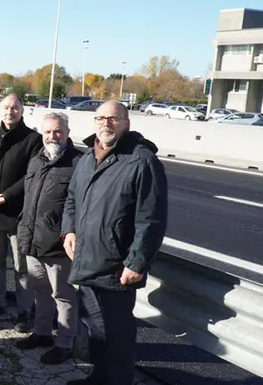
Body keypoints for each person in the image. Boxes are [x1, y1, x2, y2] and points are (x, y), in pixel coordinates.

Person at [63, 101, 168, 385]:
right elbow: (72, 199)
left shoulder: (141, 160)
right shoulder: (87, 158)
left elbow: (152, 219)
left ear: (127, 123)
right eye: (101, 118)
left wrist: (137, 262)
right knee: (95, 329)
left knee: (118, 335)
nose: (106, 123)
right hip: (86, 259)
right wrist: (68, 231)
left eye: (114, 118)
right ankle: (99, 376)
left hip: (117, 267)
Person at [15, 113, 82, 364]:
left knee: (62, 296)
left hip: (57, 244)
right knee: (40, 291)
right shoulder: (37, 160)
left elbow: (79, 206)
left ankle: (65, 343)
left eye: (57, 132)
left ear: (67, 132)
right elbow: (29, 199)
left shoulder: (78, 163)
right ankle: (42, 333)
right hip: (33, 240)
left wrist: (69, 234)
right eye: (47, 132)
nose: (52, 136)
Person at [0, 94, 42, 332]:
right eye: (6, 107)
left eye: (15, 108)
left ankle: (24, 310)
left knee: (21, 266)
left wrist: (6, 196)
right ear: (0, 109)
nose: (10, 111)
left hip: (17, 213)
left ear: (23, 111)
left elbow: (32, 175)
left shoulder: (33, 139)